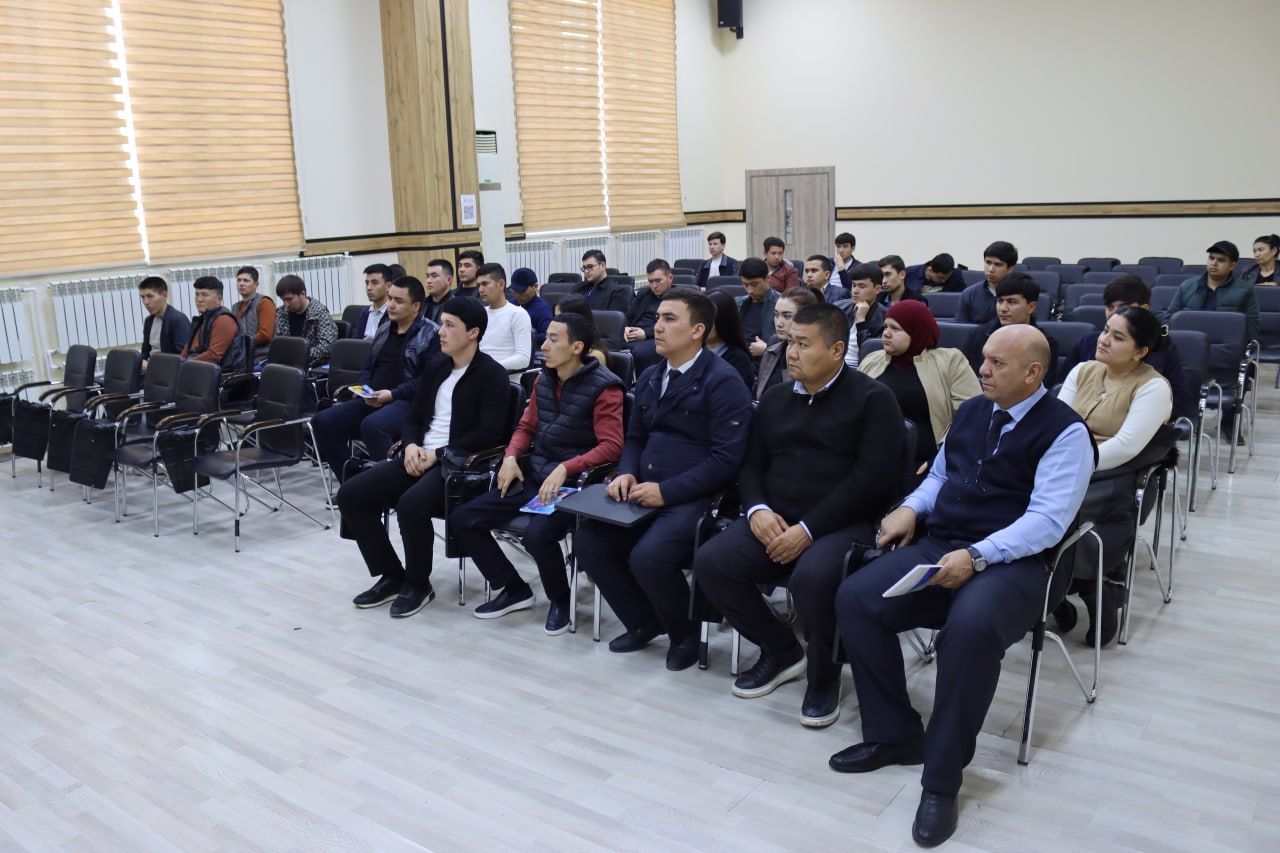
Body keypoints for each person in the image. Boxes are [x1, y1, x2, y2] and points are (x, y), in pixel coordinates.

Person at [831, 325, 1094, 848]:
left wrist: (977, 557)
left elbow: (1047, 522)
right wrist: (910, 509)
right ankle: (895, 734)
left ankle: (942, 780)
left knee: (969, 631)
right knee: (856, 598)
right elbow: (939, 478)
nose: (983, 370)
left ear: (1033, 373)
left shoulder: (1066, 432)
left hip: (1018, 563)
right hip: (945, 542)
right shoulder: (974, 410)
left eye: (997, 363)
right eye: (984, 359)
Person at [694, 303, 904, 727]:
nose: (791, 352)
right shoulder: (776, 398)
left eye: (803, 344)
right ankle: (781, 649)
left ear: (836, 350)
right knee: (712, 562)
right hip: (776, 516)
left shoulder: (873, 399)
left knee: (813, 577)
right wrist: (756, 509)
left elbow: (872, 481)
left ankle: (824, 676)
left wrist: (809, 529)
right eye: (790, 342)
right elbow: (752, 463)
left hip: (843, 523)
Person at [573, 290, 753, 672]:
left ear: (697, 330)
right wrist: (626, 471)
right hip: (644, 487)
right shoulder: (652, 376)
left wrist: (667, 492)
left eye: (670, 319)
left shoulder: (724, 381)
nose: (657, 326)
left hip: (693, 496)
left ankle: (685, 636)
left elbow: (727, 460)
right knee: (589, 541)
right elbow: (635, 438)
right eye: (657, 318)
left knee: (649, 557)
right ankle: (644, 621)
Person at [335, 299, 511, 619]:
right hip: (419, 454)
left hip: (456, 464)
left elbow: (489, 433)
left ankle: (418, 584)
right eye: (441, 323)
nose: (440, 332)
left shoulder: (492, 375)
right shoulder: (437, 367)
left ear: (473, 333)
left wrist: (437, 455)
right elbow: (414, 417)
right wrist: (412, 445)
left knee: (411, 504)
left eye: (449, 325)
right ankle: (392, 575)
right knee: (350, 494)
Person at [451, 314, 625, 635]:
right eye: (545, 337)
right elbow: (526, 427)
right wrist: (511, 456)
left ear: (576, 347)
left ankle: (560, 600)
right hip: (536, 475)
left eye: (553, 339)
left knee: (537, 535)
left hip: (575, 486)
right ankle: (514, 588)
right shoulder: (545, 379)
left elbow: (612, 447)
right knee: (463, 519)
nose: (543, 346)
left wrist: (566, 467)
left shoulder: (605, 387)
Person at [1056, 307, 1173, 646]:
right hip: (1067, 465)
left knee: (1063, 518)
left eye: (1117, 337)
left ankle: (1093, 590)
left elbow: (1126, 447)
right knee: (1016, 503)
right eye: (1106, 330)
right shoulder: (1082, 371)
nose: (1104, 339)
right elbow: (1056, 425)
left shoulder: (1153, 387)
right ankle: (1056, 596)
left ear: (1140, 351)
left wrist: (1069, 466)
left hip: (1116, 478)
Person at [310, 276, 441, 482]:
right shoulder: (384, 329)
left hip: (407, 401)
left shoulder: (431, 334)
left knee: (373, 426)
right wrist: (366, 389)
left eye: (398, 301)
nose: (391, 305)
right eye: (390, 298)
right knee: (322, 421)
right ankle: (351, 482)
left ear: (416, 306)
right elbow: (368, 368)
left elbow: (427, 380)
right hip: (375, 398)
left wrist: (392, 394)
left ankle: (387, 485)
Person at [859, 300, 982, 474]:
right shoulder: (872, 360)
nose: (886, 333)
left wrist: (941, 458)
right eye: (885, 326)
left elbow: (972, 416)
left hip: (928, 464)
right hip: (870, 460)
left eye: (895, 328)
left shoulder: (950, 361)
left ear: (916, 331)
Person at [1059, 275, 1192, 421]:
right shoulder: (1088, 342)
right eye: (1110, 307)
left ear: (1144, 309)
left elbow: (1179, 403)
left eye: (1123, 307)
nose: (1114, 313)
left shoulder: (1163, 347)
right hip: (1081, 420)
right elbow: (1063, 386)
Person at [963, 271, 1058, 385]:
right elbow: (964, 377)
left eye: (1012, 302)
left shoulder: (1045, 343)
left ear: (1031, 307)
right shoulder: (978, 334)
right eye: (1000, 301)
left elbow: (1041, 385)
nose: (1003, 308)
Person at [1161, 240, 1260, 342]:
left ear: (1232, 266)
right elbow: (1168, 319)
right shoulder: (1187, 286)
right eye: (1211, 258)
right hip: (1189, 342)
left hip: (1225, 344)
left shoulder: (1245, 290)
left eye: (1221, 260)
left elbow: (1253, 327)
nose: (1214, 263)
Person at [755, 287, 818, 401]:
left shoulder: (813, 354)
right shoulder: (773, 342)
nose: (779, 323)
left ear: (807, 318)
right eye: (776, 315)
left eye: (787, 316)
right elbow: (758, 389)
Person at [475, 262, 533, 371]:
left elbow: (523, 359)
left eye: (485, 284)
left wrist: (489, 368)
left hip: (505, 378)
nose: (480, 290)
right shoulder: (480, 313)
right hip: (480, 375)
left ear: (501, 284)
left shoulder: (517, 314)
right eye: (479, 285)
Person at [182, 276, 246, 373]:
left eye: (204, 295)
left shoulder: (224, 319)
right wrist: (178, 363)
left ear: (219, 299)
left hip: (221, 375)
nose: (199, 299)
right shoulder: (203, 318)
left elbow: (213, 356)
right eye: (197, 294)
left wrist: (184, 366)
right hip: (203, 370)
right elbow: (187, 349)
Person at [624, 259, 674, 374]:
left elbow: (671, 325)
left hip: (658, 336)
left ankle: (643, 382)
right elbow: (629, 315)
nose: (654, 286)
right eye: (650, 282)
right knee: (606, 346)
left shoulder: (677, 298)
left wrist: (646, 333)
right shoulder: (644, 293)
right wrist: (625, 327)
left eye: (658, 281)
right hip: (633, 334)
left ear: (670, 278)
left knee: (640, 352)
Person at [273, 274, 338, 362]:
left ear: (302, 294)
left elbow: (326, 347)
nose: (286, 304)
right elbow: (277, 342)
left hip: (312, 363)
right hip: (288, 362)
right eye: (283, 300)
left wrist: (298, 354)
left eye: (289, 299)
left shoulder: (319, 313)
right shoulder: (281, 313)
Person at [955, 240, 1018, 325]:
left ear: (1010, 269)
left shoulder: (1021, 295)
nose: (991, 269)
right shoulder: (969, 294)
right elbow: (961, 328)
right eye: (988, 262)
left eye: (998, 264)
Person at [138, 276, 191, 374]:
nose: (146, 302)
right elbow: (145, 352)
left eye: (150, 296)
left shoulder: (177, 319)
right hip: (152, 372)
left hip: (169, 375)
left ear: (164, 295)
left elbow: (183, 358)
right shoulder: (149, 321)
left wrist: (151, 366)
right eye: (143, 297)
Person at [706, 289, 755, 389]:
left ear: (723, 322)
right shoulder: (691, 351)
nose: (702, 325)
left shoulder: (738, 359)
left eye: (708, 320)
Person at [843, 262, 887, 367]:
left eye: (862, 286)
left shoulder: (885, 317)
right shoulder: (840, 308)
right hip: (833, 363)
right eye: (853, 285)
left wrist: (861, 321)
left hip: (861, 367)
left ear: (877, 289)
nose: (855, 291)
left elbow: (869, 352)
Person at [735, 257, 779, 361]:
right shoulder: (737, 304)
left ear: (768, 278)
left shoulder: (781, 306)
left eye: (754, 285)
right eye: (745, 285)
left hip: (766, 362)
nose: (750, 290)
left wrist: (767, 350)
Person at [230, 266, 275, 356]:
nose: (241, 284)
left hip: (263, 356)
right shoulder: (235, 307)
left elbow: (265, 336)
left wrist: (240, 343)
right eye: (239, 280)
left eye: (246, 280)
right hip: (242, 356)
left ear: (256, 285)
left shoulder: (264, 302)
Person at [554, 295, 609, 365]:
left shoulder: (595, 356)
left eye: (560, 318)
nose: (554, 322)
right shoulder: (557, 346)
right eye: (555, 317)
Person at [510, 267, 553, 347]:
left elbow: (547, 335)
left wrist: (523, 337)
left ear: (535, 287)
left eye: (522, 291)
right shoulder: (510, 304)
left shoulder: (543, 310)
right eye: (515, 291)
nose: (517, 295)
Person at [353, 263, 393, 340]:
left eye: (374, 283)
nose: (369, 288)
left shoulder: (394, 312)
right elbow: (355, 341)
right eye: (367, 283)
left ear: (388, 286)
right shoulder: (365, 312)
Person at [422, 258, 456, 325]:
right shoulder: (421, 305)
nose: (428, 280)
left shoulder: (456, 307)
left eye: (434, 276)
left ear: (449, 280)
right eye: (427, 276)